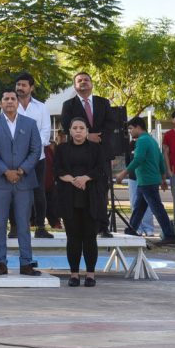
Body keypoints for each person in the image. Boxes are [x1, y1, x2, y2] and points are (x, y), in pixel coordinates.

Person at [0, 88, 44, 276]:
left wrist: (21, 170)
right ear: (0, 103)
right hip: (0, 181)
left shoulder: (30, 123)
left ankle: (26, 263)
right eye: (6, 99)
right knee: (0, 223)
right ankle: (1, 262)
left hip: (24, 181)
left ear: (18, 103)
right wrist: (5, 171)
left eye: (13, 99)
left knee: (23, 224)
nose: (10, 101)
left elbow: (36, 150)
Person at [59, 72, 115, 237]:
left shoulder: (103, 102)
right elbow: (66, 124)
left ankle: (103, 226)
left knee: (101, 189)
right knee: (79, 188)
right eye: (79, 80)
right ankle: (79, 225)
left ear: (91, 83)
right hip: (77, 154)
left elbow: (111, 124)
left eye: (86, 80)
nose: (83, 82)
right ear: (74, 85)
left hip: (100, 151)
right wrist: (86, 135)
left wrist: (97, 137)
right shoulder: (68, 105)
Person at [55, 118, 103, 287]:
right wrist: (74, 180)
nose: (78, 131)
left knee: (90, 238)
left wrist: (85, 178)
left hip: (91, 198)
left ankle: (90, 274)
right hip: (69, 197)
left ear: (87, 131)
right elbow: (58, 169)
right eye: (74, 128)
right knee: (73, 238)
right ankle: (74, 274)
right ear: (70, 130)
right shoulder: (62, 149)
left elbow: (100, 169)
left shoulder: (96, 149)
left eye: (81, 128)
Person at [119, 117, 175, 245]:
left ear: (138, 127)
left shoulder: (142, 141)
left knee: (157, 208)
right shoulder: (152, 140)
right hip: (148, 180)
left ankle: (169, 234)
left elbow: (138, 159)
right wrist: (162, 178)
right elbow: (161, 159)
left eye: (130, 128)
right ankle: (131, 229)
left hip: (147, 180)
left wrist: (123, 173)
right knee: (139, 207)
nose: (129, 131)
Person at [15, 72, 54, 239]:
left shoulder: (41, 107)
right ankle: (15, 227)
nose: (20, 88)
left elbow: (46, 131)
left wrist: (33, 148)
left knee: (39, 191)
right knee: (14, 191)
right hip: (14, 157)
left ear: (31, 87)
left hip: (37, 157)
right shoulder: (10, 104)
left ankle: (40, 227)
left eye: (23, 85)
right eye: (18, 85)